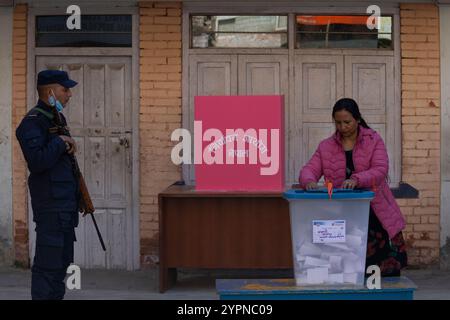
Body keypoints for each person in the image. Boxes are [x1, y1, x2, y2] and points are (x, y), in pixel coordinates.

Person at [299, 97, 407, 276]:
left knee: (379, 270)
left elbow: (380, 170)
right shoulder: (326, 146)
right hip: (342, 211)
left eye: (347, 122)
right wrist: (308, 180)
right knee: (344, 269)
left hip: (374, 209)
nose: (342, 127)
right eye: (338, 122)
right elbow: (310, 168)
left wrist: (357, 179)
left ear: (357, 119)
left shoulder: (373, 140)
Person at [16, 70, 79, 299]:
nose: (69, 94)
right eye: (65, 89)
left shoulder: (56, 118)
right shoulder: (33, 122)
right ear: (50, 92)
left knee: (62, 265)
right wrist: (61, 142)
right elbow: (37, 161)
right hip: (51, 207)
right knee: (47, 268)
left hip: (64, 206)